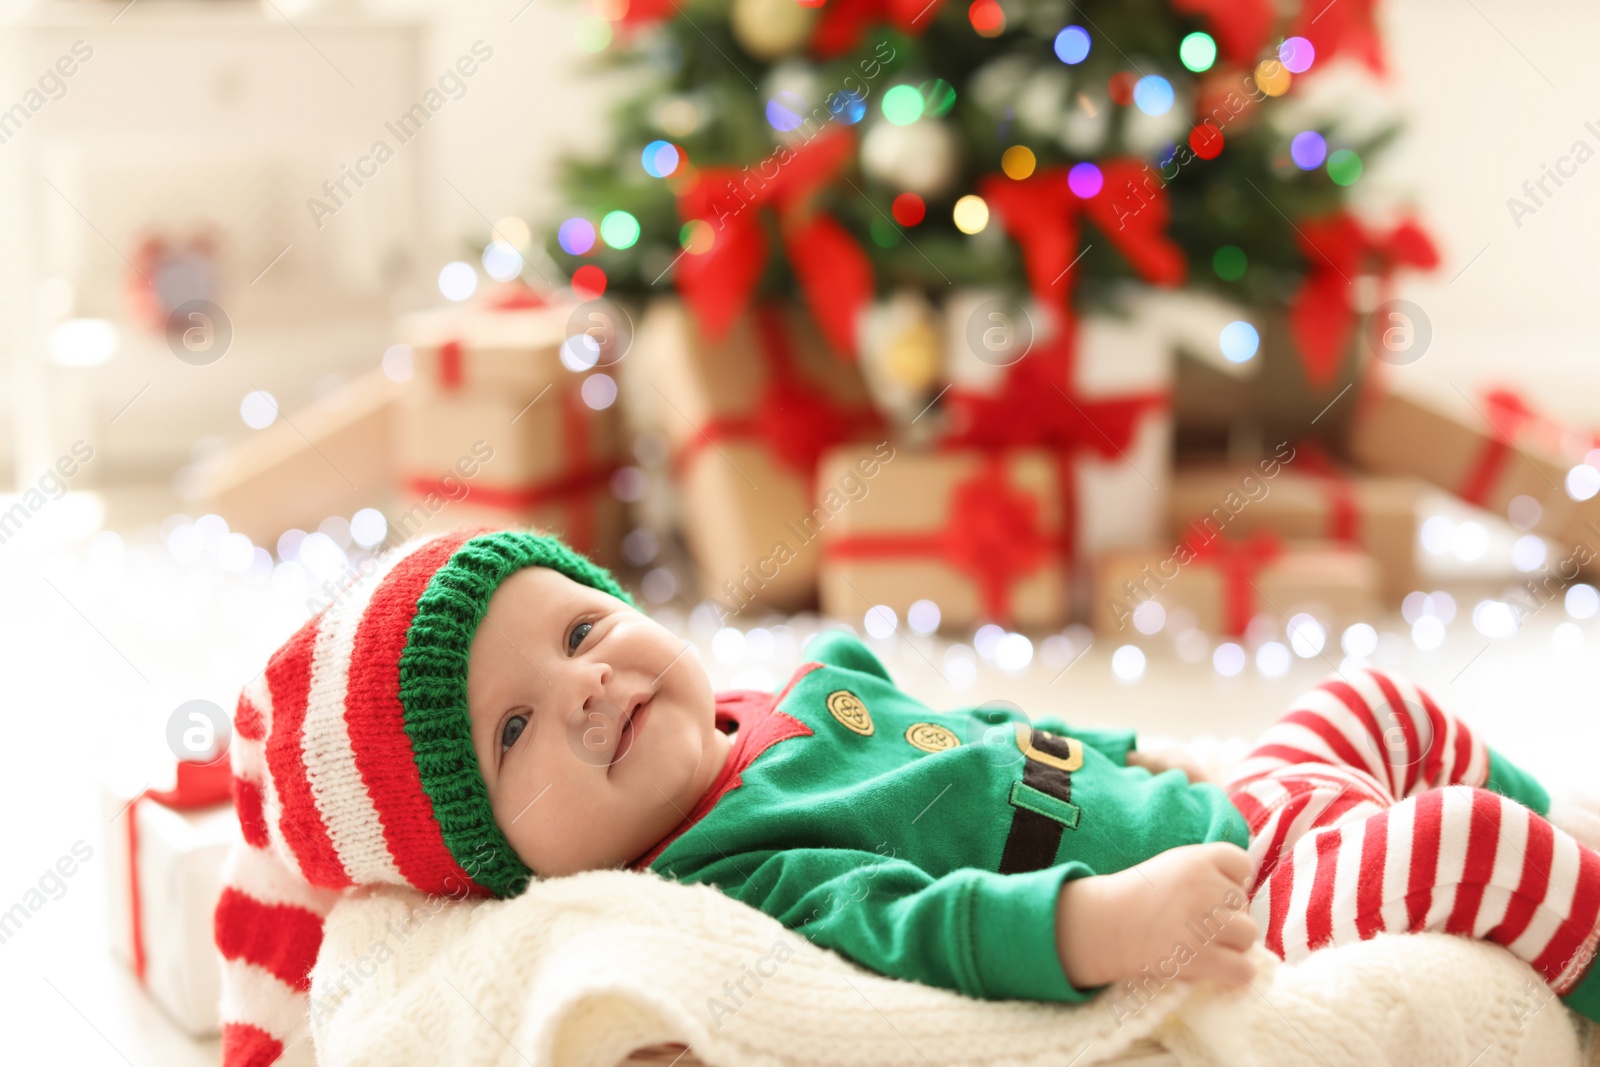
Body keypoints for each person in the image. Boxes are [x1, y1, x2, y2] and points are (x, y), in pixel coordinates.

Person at [211, 527, 1600, 1067]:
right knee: (1464, 852)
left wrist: (1139, 756)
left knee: (1381, 706)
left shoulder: (797, 692)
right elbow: (923, 928)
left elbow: (986, 729)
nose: (584, 686)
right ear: (506, 868)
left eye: (580, 631)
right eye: (514, 730)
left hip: (1228, 807)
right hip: (1260, 898)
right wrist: (1108, 929)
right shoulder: (732, 872)